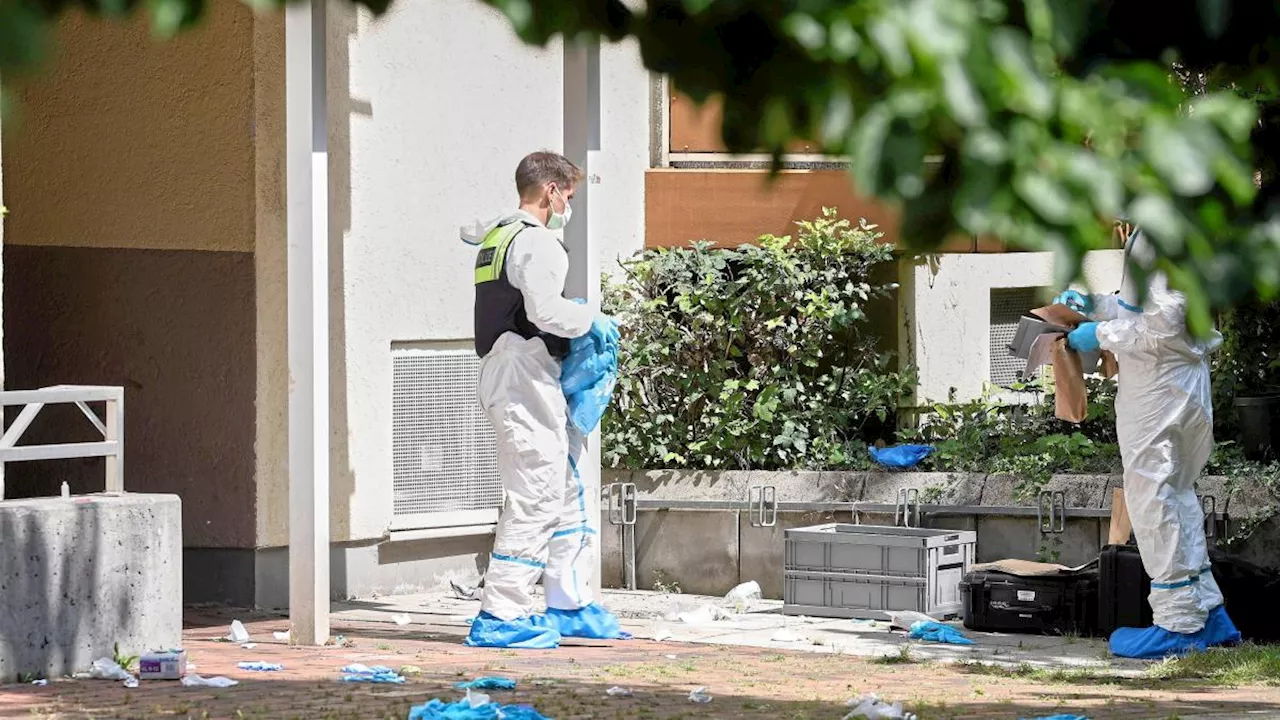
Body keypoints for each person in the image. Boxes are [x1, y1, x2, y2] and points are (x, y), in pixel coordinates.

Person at [1056, 223, 1241, 659]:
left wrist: (1099, 335)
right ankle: (1209, 613)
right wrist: (1097, 305)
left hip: (1159, 391)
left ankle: (1178, 625)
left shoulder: (1156, 232)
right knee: (1177, 495)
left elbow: (1164, 328)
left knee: (1152, 497)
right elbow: (1149, 310)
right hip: (1184, 386)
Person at [463, 151, 625, 649]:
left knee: (565, 483)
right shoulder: (536, 243)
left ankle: (569, 600)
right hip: (523, 372)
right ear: (551, 191)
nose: (567, 206)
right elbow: (546, 312)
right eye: (567, 196)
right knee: (537, 488)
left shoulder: (497, 239)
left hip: (515, 369)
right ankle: (502, 614)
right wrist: (592, 319)